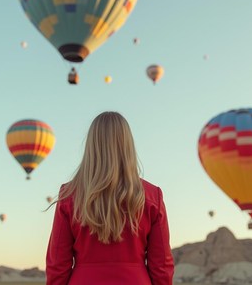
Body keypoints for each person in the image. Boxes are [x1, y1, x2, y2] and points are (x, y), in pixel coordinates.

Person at [46, 111, 174, 285]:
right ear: (128, 145)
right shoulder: (152, 196)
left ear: (91, 146)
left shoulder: (69, 195)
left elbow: (57, 266)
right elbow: (162, 267)